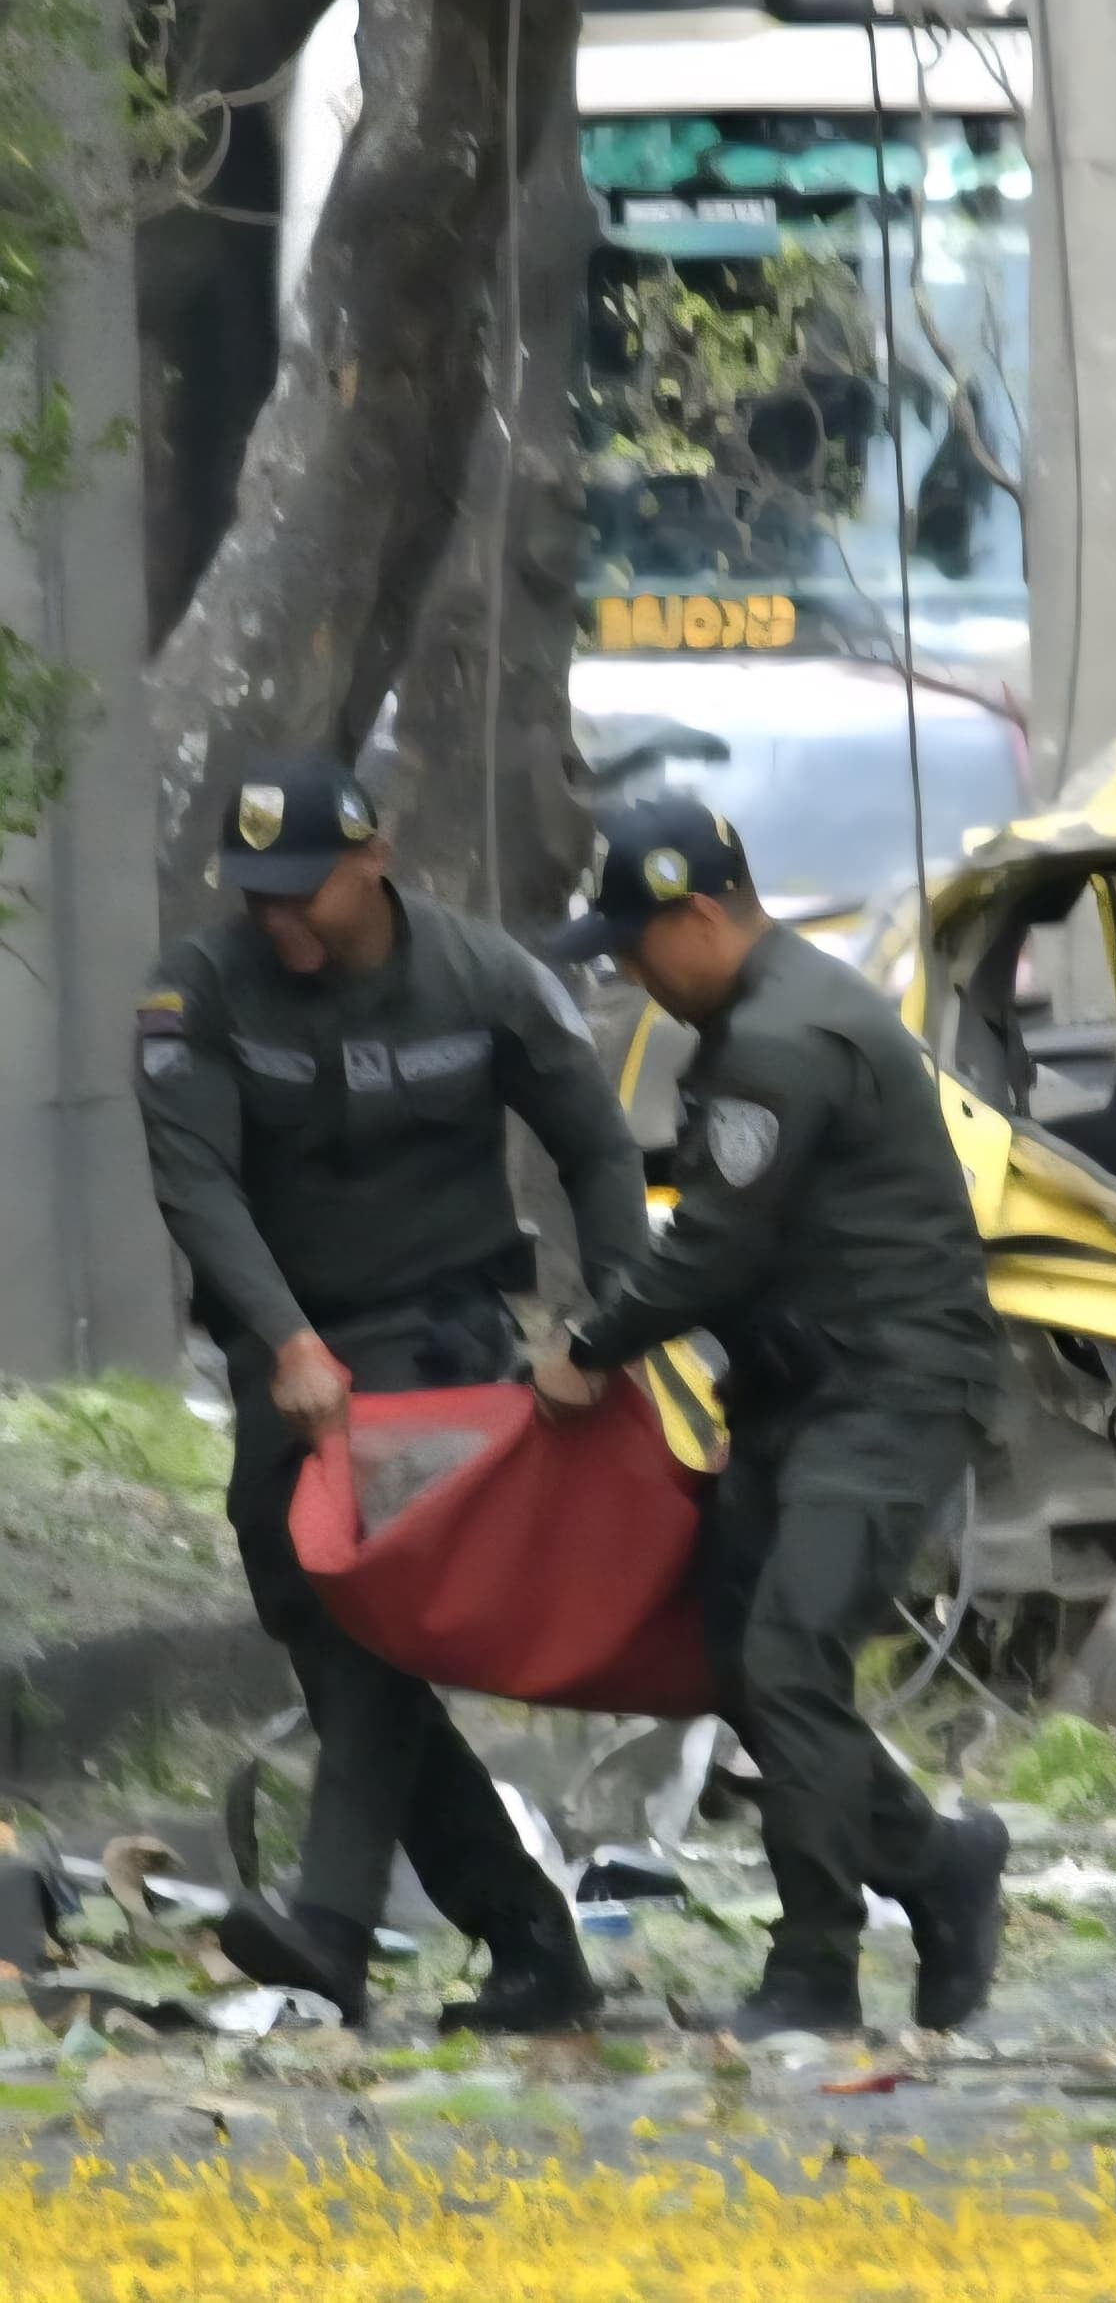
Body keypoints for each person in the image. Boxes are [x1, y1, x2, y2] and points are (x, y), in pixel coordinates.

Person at [135, 751, 649, 2032]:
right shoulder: (199, 989)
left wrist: (617, 1325)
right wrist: (289, 1338)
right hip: (288, 1350)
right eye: (256, 894)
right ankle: (529, 1935)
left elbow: (595, 1147)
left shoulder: (482, 978)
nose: (278, 916)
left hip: (438, 1346)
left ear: (374, 859)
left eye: (303, 890)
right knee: (319, 1625)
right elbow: (195, 1178)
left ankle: (335, 1931)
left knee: (361, 1616)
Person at [529, 796, 1010, 2038]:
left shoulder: (783, 1038)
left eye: (638, 946)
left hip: (887, 1392)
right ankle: (934, 1864)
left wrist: (589, 1346)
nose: (632, 972)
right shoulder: (760, 1013)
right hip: (804, 1391)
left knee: (791, 1657)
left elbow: (716, 1245)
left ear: (701, 916)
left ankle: (814, 1974)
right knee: (742, 1657)